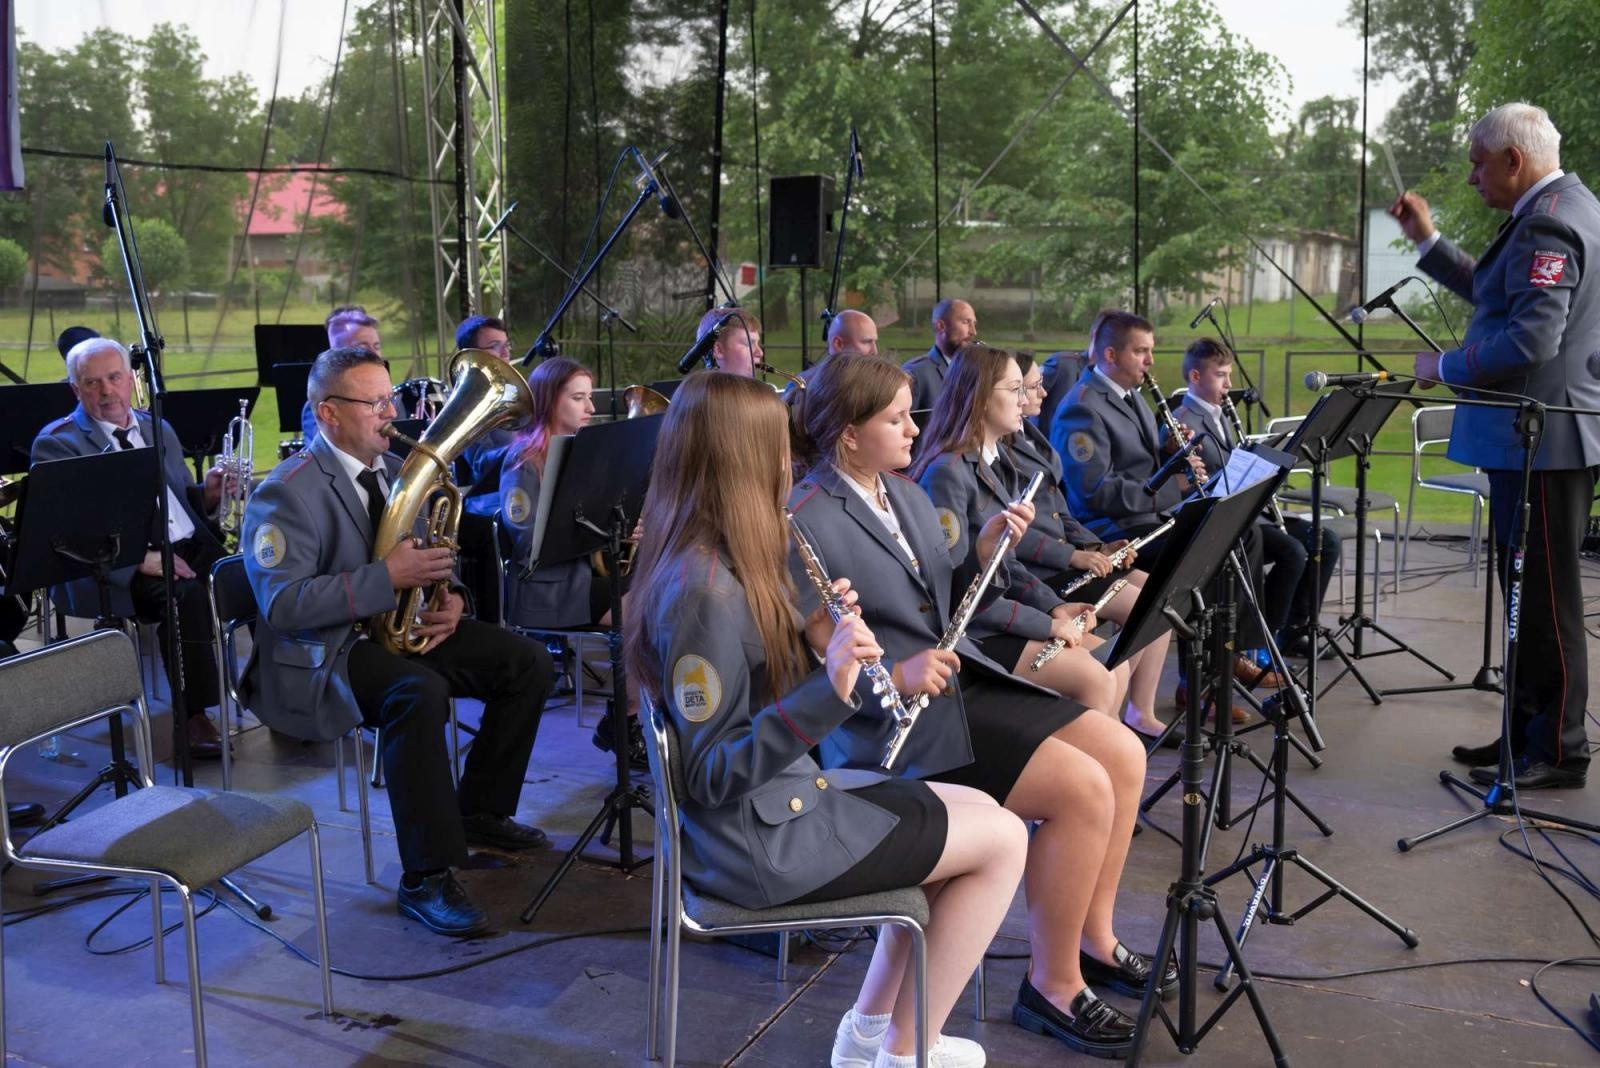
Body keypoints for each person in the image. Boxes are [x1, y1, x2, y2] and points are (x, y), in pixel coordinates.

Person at [626, 370, 1027, 1068]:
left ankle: (869, 1036)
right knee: (1002, 840)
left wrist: (811, 647)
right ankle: (907, 1051)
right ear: (744, 462)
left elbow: (748, 699)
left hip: (776, 809)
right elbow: (712, 774)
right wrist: (833, 683)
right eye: (779, 450)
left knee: (976, 808)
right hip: (755, 849)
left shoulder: (717, 564)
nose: (790, 464)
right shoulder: (703, 592)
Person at [790, 353, 1169, 1060]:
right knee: (1084, 788)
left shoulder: (898, 492)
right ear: (847, 434)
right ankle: (1053, 985)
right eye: (896, 418)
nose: (914, 428)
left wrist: (985, 549)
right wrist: (897, 673)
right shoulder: (804, 518)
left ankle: (1094, 941)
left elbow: (948, 586)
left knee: (1122, 749)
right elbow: (812, 661)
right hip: (891, 724)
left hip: (955, 686)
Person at [241, 346, 556, 937]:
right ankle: (425, 876)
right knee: (419, 693)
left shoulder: (393, 471)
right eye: (375, 403)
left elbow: (430, 555)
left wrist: (452, 596)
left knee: (529, 664)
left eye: (390, 398)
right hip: (323, 652)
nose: (393, 414)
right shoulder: (286, 490)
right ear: (329, 413)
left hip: (391, 630)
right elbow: (284, 606)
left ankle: (480, 811)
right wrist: (386, 580)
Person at [1391, 101, 1599, 789]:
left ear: (1514, 159)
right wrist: (1429, 242)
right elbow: (1493, 289)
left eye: (1479, 163)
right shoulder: (1561, 208)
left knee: (1545, 598)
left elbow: (1533, 340)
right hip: (1533, 441)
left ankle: (1561, 749)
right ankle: (1523, 735)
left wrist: (1443, 367)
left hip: (1544, 438)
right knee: (1526, 595)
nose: (1473, 176)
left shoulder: (1550, 221)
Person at [909, 343, 1133, 718]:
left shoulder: (996, 462)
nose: (1025, 398)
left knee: (1114, 663)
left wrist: (1056, 606)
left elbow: (1007, 566)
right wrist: (1046, 623)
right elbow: (955, 592)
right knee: (1095, 677)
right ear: (980, 398)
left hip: (999, 613)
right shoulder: (947, 472)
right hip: (974, 631)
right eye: (1015, 390)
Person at [32, 337, 228, 758]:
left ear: (130, 379)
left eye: (114, 377)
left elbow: (176, 503)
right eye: (92, 383)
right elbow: (70, 532)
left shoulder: (159, 428)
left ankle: (276, 694)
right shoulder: (58, 443)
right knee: (187, 597)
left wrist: (208, 496)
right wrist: (140, 560)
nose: (106, 392)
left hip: (184, 546)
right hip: (113, 566)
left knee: (257, 576)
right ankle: (193, 716)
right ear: (75, 390)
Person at [1009, 350, 1174, 743]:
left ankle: (1139, 710)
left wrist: (1099, 546)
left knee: (1157, 596)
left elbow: (1060, 512)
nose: (1043, 393)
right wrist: (1076, 555)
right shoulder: (998, 452)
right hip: (1044, 568)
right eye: (1030, 387)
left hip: (1067, 554)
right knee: (1139, 608)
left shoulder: (1029, 435)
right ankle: (1113, 720)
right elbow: (1014, 534)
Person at [498, 356, 644, 767]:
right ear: (548, 402)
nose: (591, 408)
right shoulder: (523, 463)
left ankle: (628, 717)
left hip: (581, 579)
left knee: (666, 589)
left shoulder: (585, 454)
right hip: (547, 590)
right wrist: (599, 532)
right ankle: (625, 721)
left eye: (589, 398)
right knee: (643, 611)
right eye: (578, 398)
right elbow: (528, 545)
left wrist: (625, 525)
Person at [1177, 338, 1339, 660]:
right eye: (1221, 375)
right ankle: (1265, 639)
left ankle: (1295, 629)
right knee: (1292, 552)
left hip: (1248, 513)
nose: (1229, 384)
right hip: (1223, 519)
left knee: (1326, 540)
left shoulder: (1218, 413)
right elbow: (1191, 485)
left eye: (1229, 375)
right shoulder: (1184, 420)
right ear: (1195, 377)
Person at [455, 314, 518, 517]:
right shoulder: (465, 402)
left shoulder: (514, 393)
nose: (506, 353)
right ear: (471, 354)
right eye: (494, 346)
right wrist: (527, 447)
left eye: (507, 345)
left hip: (519, 488)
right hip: (492, 503)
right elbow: (482, 463)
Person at [300, 306, 384, 444]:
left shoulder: (390, 400)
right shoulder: (319, 408)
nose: (374, 354)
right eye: (363, 347)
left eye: (376, 346)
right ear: (338, 352)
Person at [783, 309, 880, 401]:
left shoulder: (879, 383)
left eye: (875, 342)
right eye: (867, 342)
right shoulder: (801, 387)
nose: (874, 351)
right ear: (838, 344)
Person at [902, 298, 977, 412]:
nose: (973, 332)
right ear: (941, 326)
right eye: (966, 322)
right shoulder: (916, 373)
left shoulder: (974, 370)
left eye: (974, 324)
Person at [693, 306, 764, 378]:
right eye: (748, 343)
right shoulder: (692, 389)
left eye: (757, 343)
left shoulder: (767, 388)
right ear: (718, 350)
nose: (760, 353)